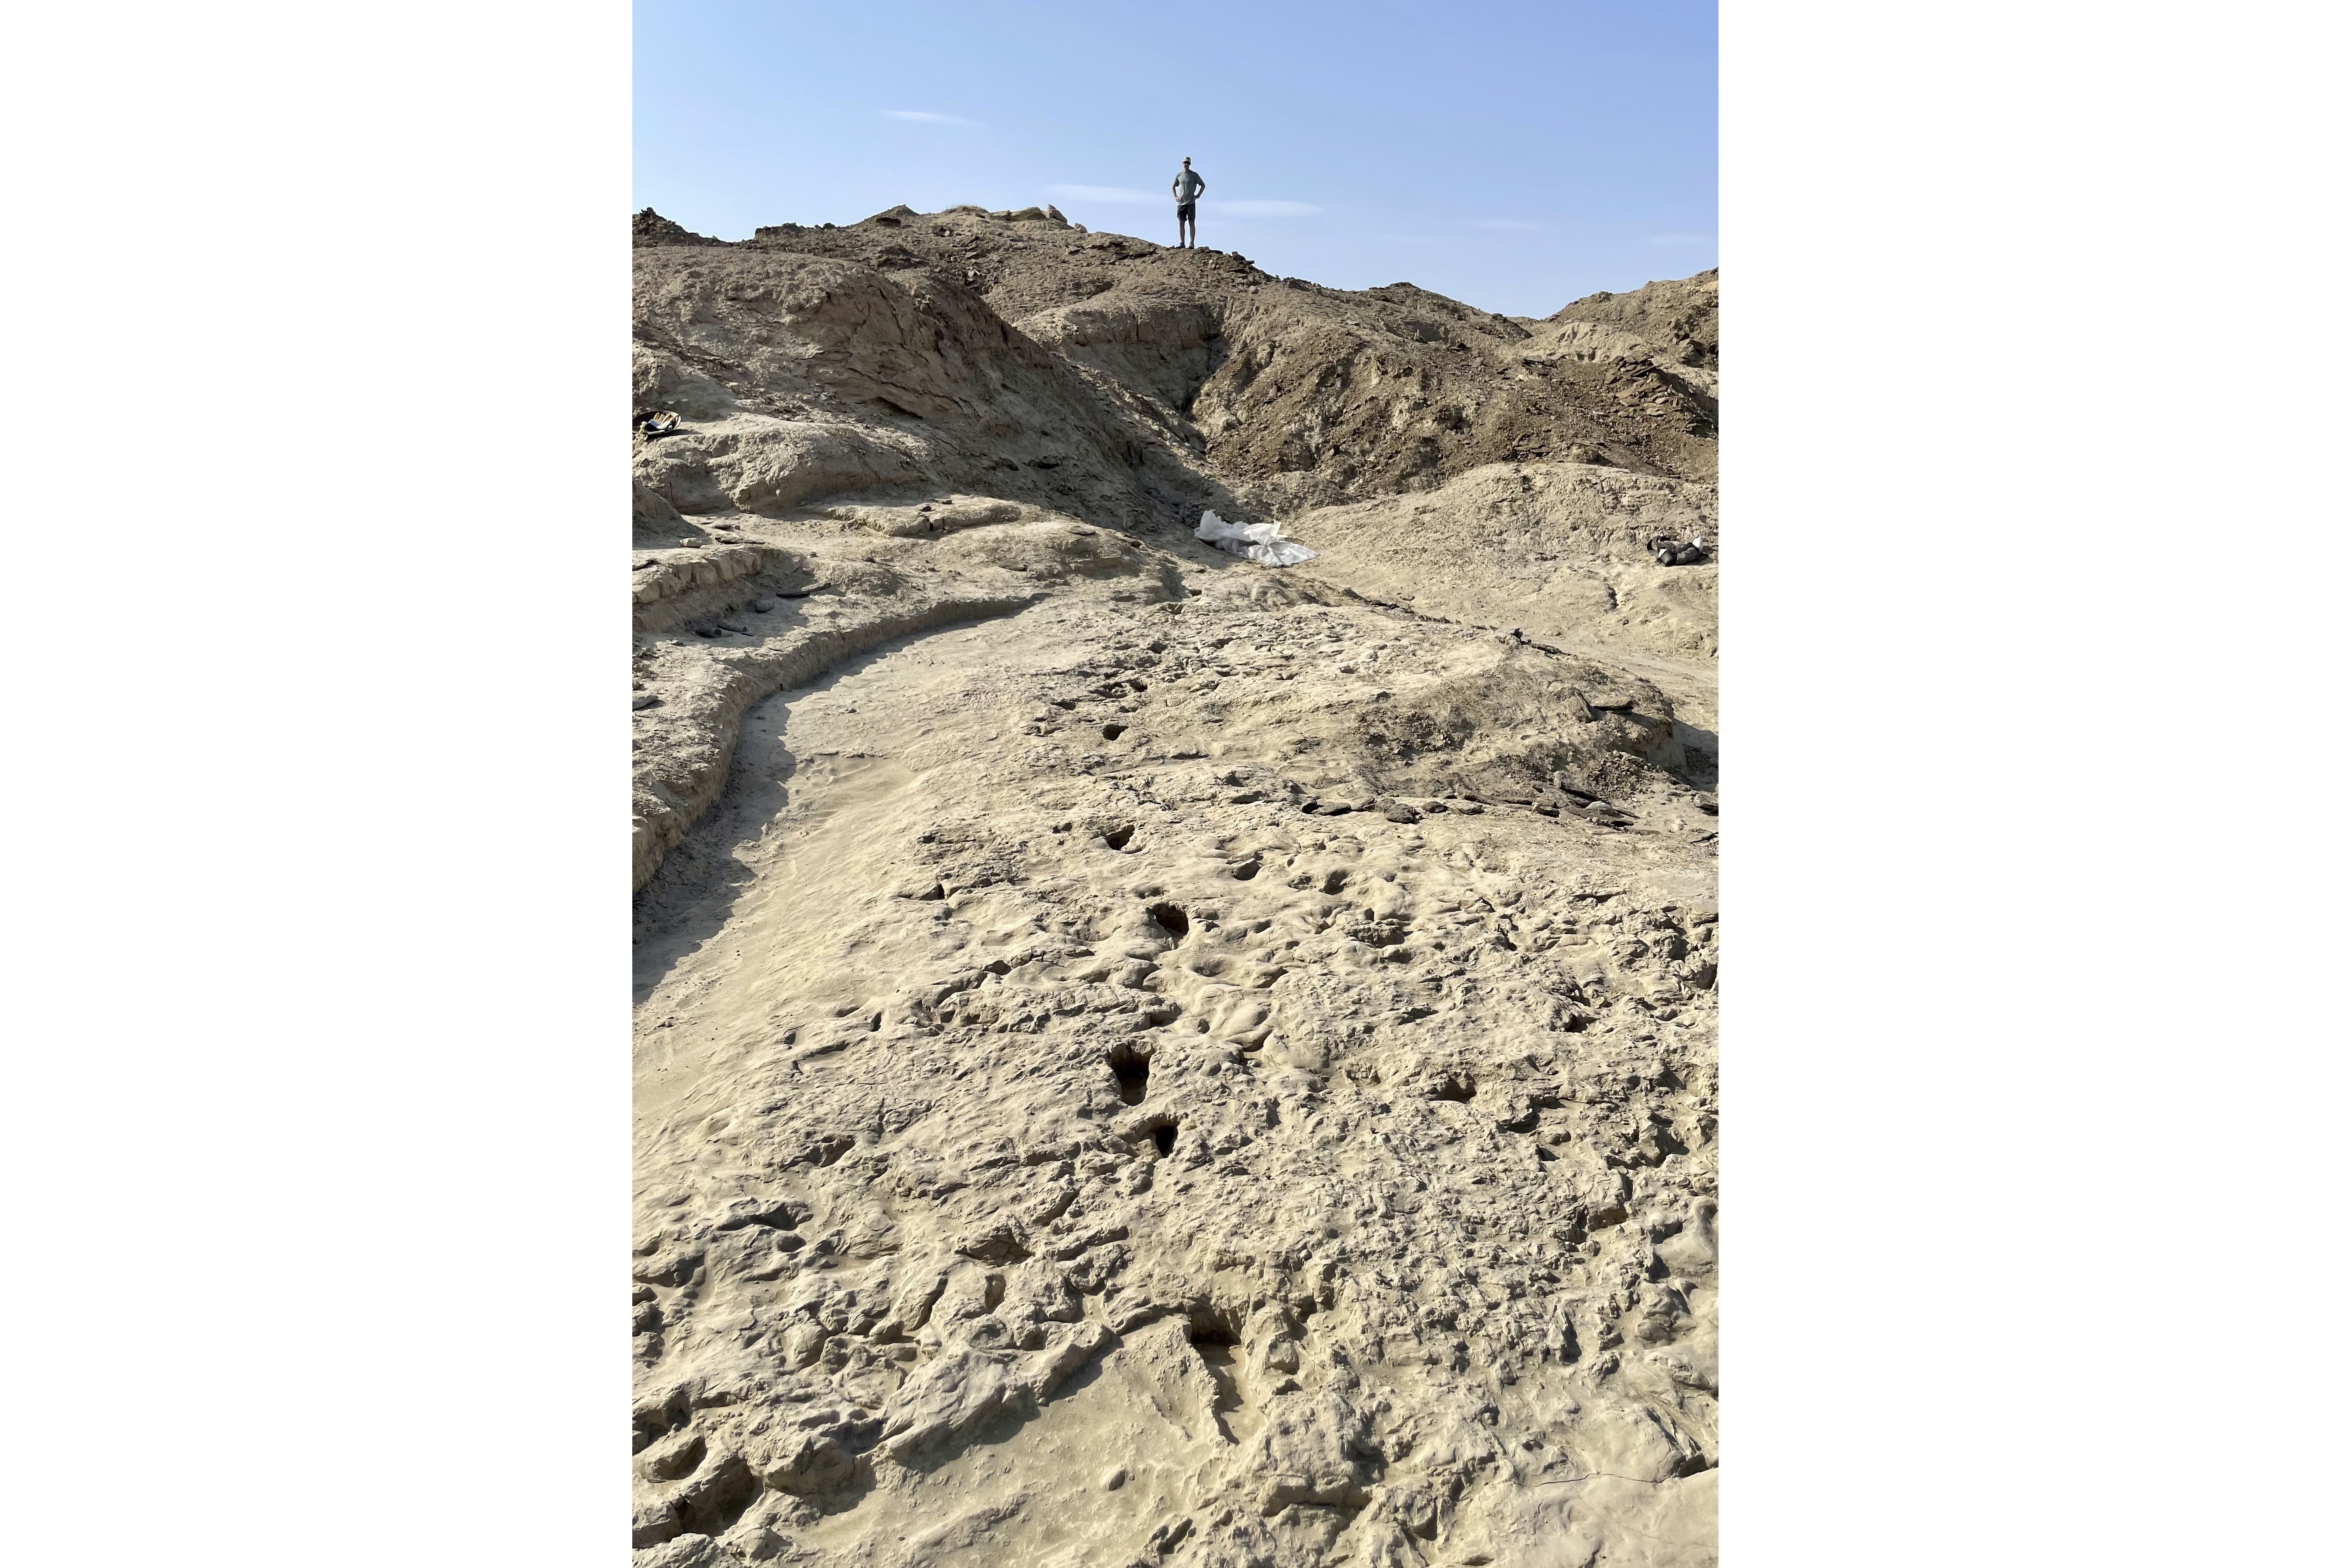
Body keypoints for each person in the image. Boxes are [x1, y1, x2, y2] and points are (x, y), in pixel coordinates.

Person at [1172, 157, 1206, 248]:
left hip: (1191, 202)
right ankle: (1182, 243)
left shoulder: (1194, 175)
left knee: (1192, 222)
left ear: (1190, 164)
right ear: (1183, 163)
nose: (1186, 164)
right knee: (1181, 223)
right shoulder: (1179, 175)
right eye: (1185, 163)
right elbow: (1173, 186)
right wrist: (1175, 196)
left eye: (1188, 163)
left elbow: (1203, 185)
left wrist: (1198, 195)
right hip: (1182, 203)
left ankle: (1192, 243)